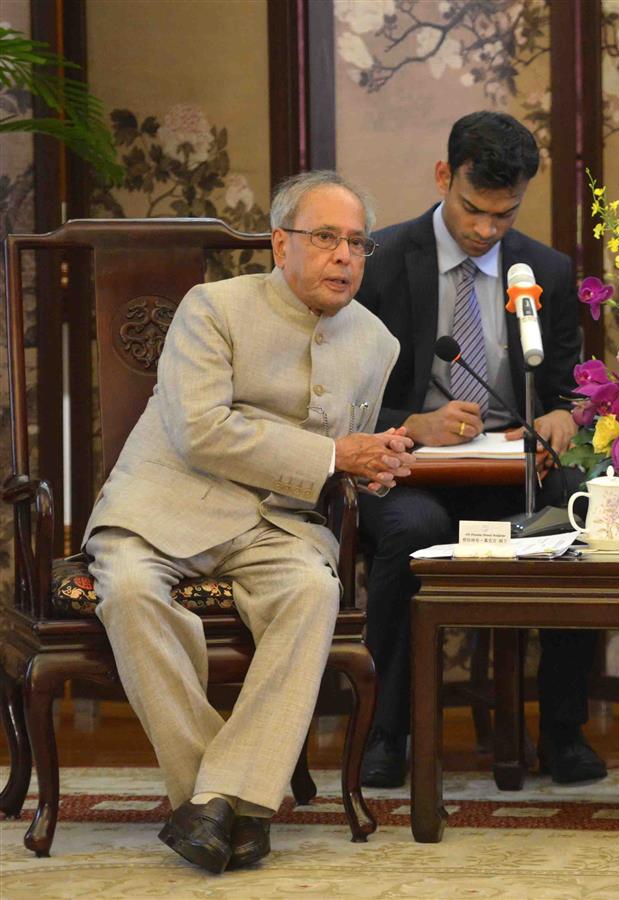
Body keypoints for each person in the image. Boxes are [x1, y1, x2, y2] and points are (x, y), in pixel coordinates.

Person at [84, 170, 413, 873]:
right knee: (132, 594)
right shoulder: (212, 308)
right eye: (325, 238)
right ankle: (234, 799)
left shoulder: (376, 342)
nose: (344, 257)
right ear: (280, 243)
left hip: (277, 525)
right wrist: (333, 455)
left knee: (313, 591)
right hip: (165, 503)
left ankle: (213, 808)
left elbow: (344, 456)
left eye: (357, 243)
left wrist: (371, 463)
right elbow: (201, 430)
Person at [355, 111, 600, 788]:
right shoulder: (379, 262)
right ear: (444, 176)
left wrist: (558, 419)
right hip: (408, 469)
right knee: (414, 534)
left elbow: (566, 388)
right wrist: (417, 423)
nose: (487, 230)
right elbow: (341, 397)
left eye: (504, 214)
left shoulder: (545, 270)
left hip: (510, 468)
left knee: (581, 521)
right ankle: (386, 731)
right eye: (473, 210)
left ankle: (562, 730)